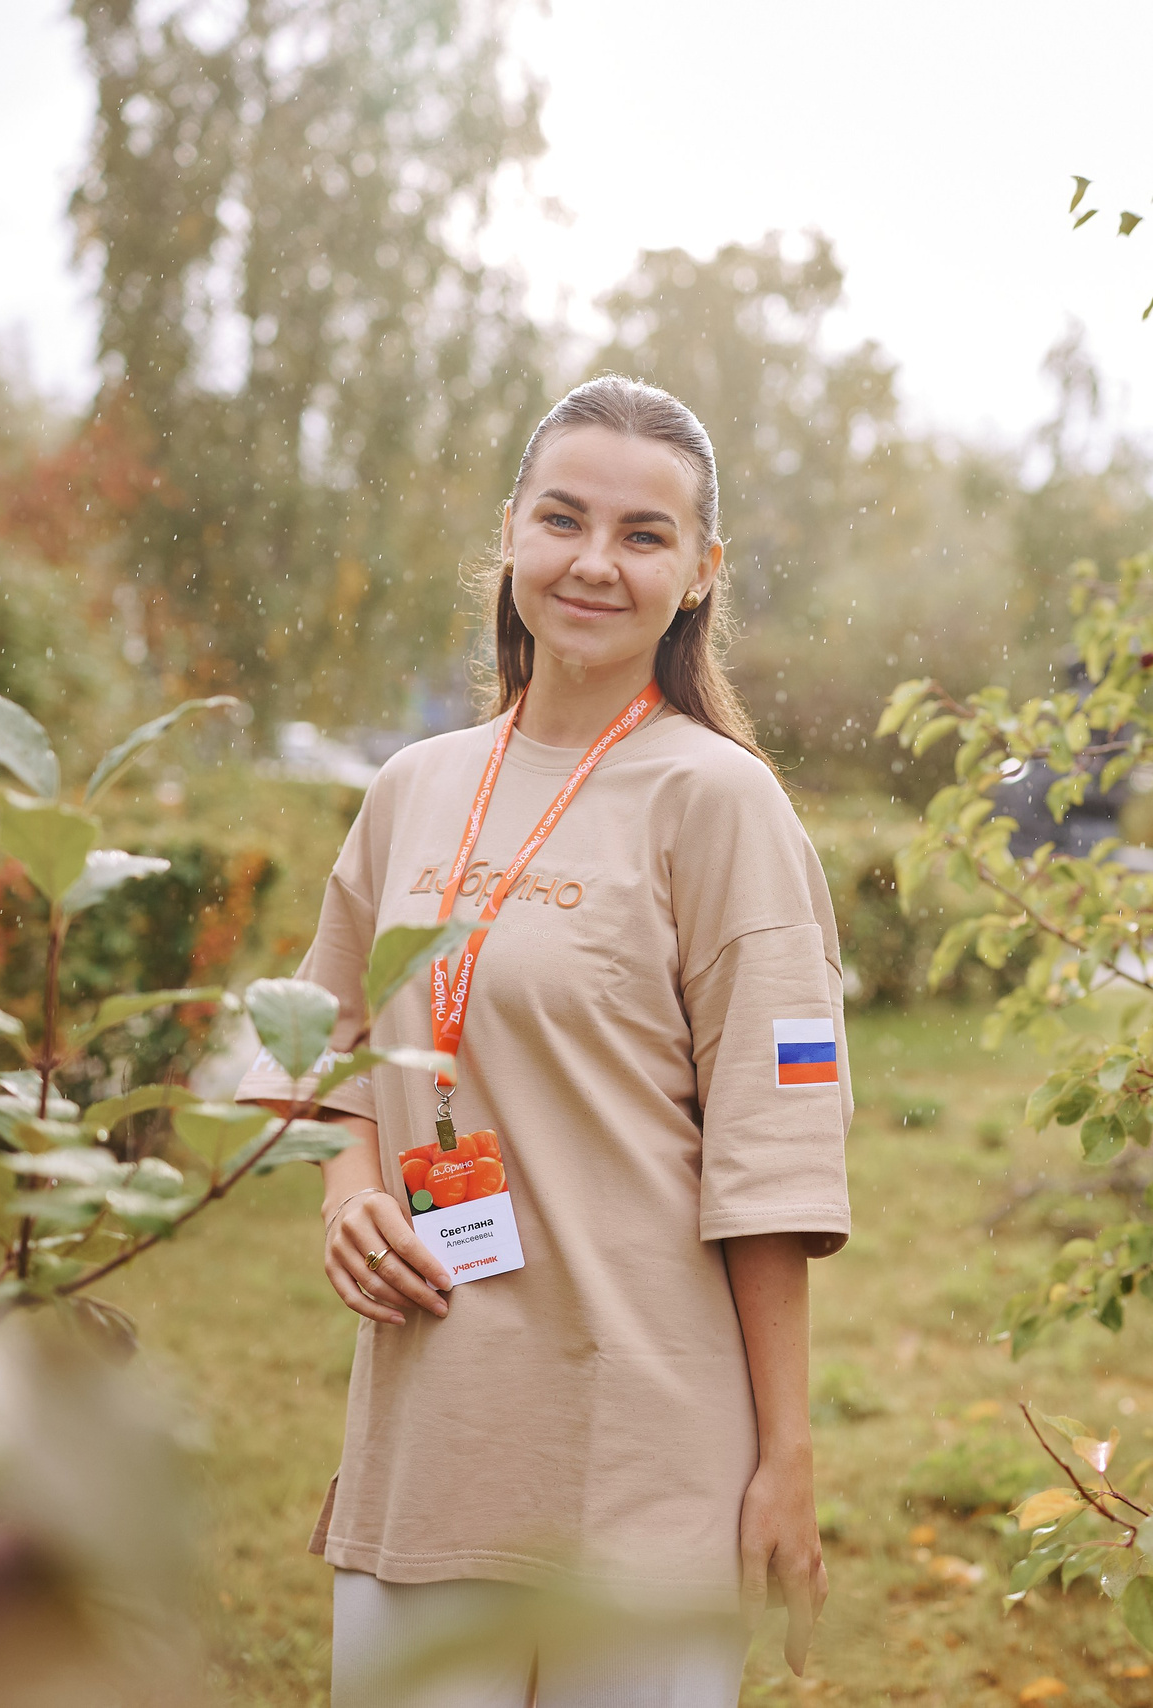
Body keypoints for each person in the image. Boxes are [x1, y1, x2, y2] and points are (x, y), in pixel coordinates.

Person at [237, 375, 853, 1707]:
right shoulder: (414, 789)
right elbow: (325, 1031)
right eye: (564, 519)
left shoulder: (719, 800)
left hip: (650, 1457)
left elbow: (772, 1149)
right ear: (510, 530)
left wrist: (785, 1456)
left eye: (645, 534)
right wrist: (348, 1190)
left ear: (700, 573)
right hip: (432, 1435)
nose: (594, 563)